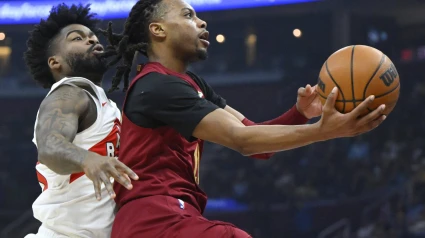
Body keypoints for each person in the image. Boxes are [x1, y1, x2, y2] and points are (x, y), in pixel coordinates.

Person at [100, 0, 386, 237]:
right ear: (158, 29)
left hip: (167, 217)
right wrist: (325, 130)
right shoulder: (157, 85)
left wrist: (299, 115)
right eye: (188, 15)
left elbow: (254, 139)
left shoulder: (190, 83)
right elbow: (243, 141)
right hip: (154, 219)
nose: (202, 23)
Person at [23, 4, 138, 238]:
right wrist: (87, 159)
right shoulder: (69, 93)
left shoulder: (107, 105)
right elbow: (50, 146)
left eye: (94, 37)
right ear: (55, 62)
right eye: (78, 38)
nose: (92, 41)